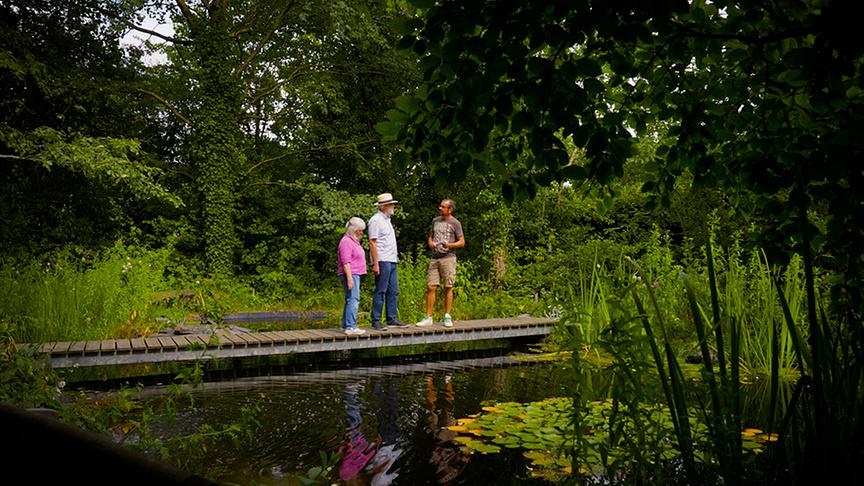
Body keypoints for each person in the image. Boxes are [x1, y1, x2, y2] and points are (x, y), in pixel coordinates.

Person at [416, 199, 464, 328]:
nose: (440, 208)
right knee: (431, 286)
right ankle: (428, 317)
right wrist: (430, 242)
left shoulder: (455, 223)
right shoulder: (435, 221)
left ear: (450, 209)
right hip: (435, 257)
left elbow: (462, 242)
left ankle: (447, 316)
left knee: (448, 286)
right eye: (440, 206)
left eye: (443, 207)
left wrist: (449, 244)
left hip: (448, 258)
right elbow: (430, 236)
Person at [368, 193, 409, 330]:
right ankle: (376, 320)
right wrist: (375, 263)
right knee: (381, 290)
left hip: (392, 259)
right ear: (384, 206)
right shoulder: (375, 220)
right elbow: (372, 243)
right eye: (391, 204)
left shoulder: (387, 220)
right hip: (382, 260)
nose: (393, 207)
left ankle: (391, 319)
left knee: (394, 291)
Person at [338, 217, 368, 335]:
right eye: (359, 230)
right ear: (353, 230)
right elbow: (346, 262)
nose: (361, 233)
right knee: (354, 299)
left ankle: (345, 325)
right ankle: (351, 326)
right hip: (351, 274)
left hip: (355, 274)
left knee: (350, 299)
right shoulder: (346, 241)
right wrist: (350, 278)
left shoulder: (353, 241)